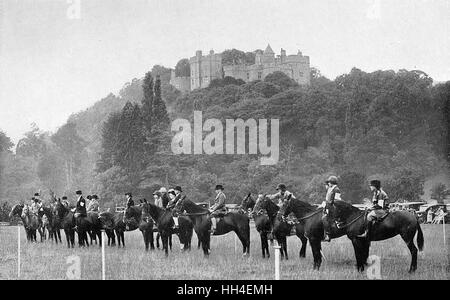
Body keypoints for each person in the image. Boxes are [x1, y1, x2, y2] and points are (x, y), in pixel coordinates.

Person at [321, 176, 342, 242]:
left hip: (333, 208)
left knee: (324, 218)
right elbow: (328, 199)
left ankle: (328, 235)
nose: (328, 183)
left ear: (332, 182)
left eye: (329, 182)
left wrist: (327, 204)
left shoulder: (336, 189)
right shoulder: (331, 189)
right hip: (329, 207)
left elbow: (337, 200)